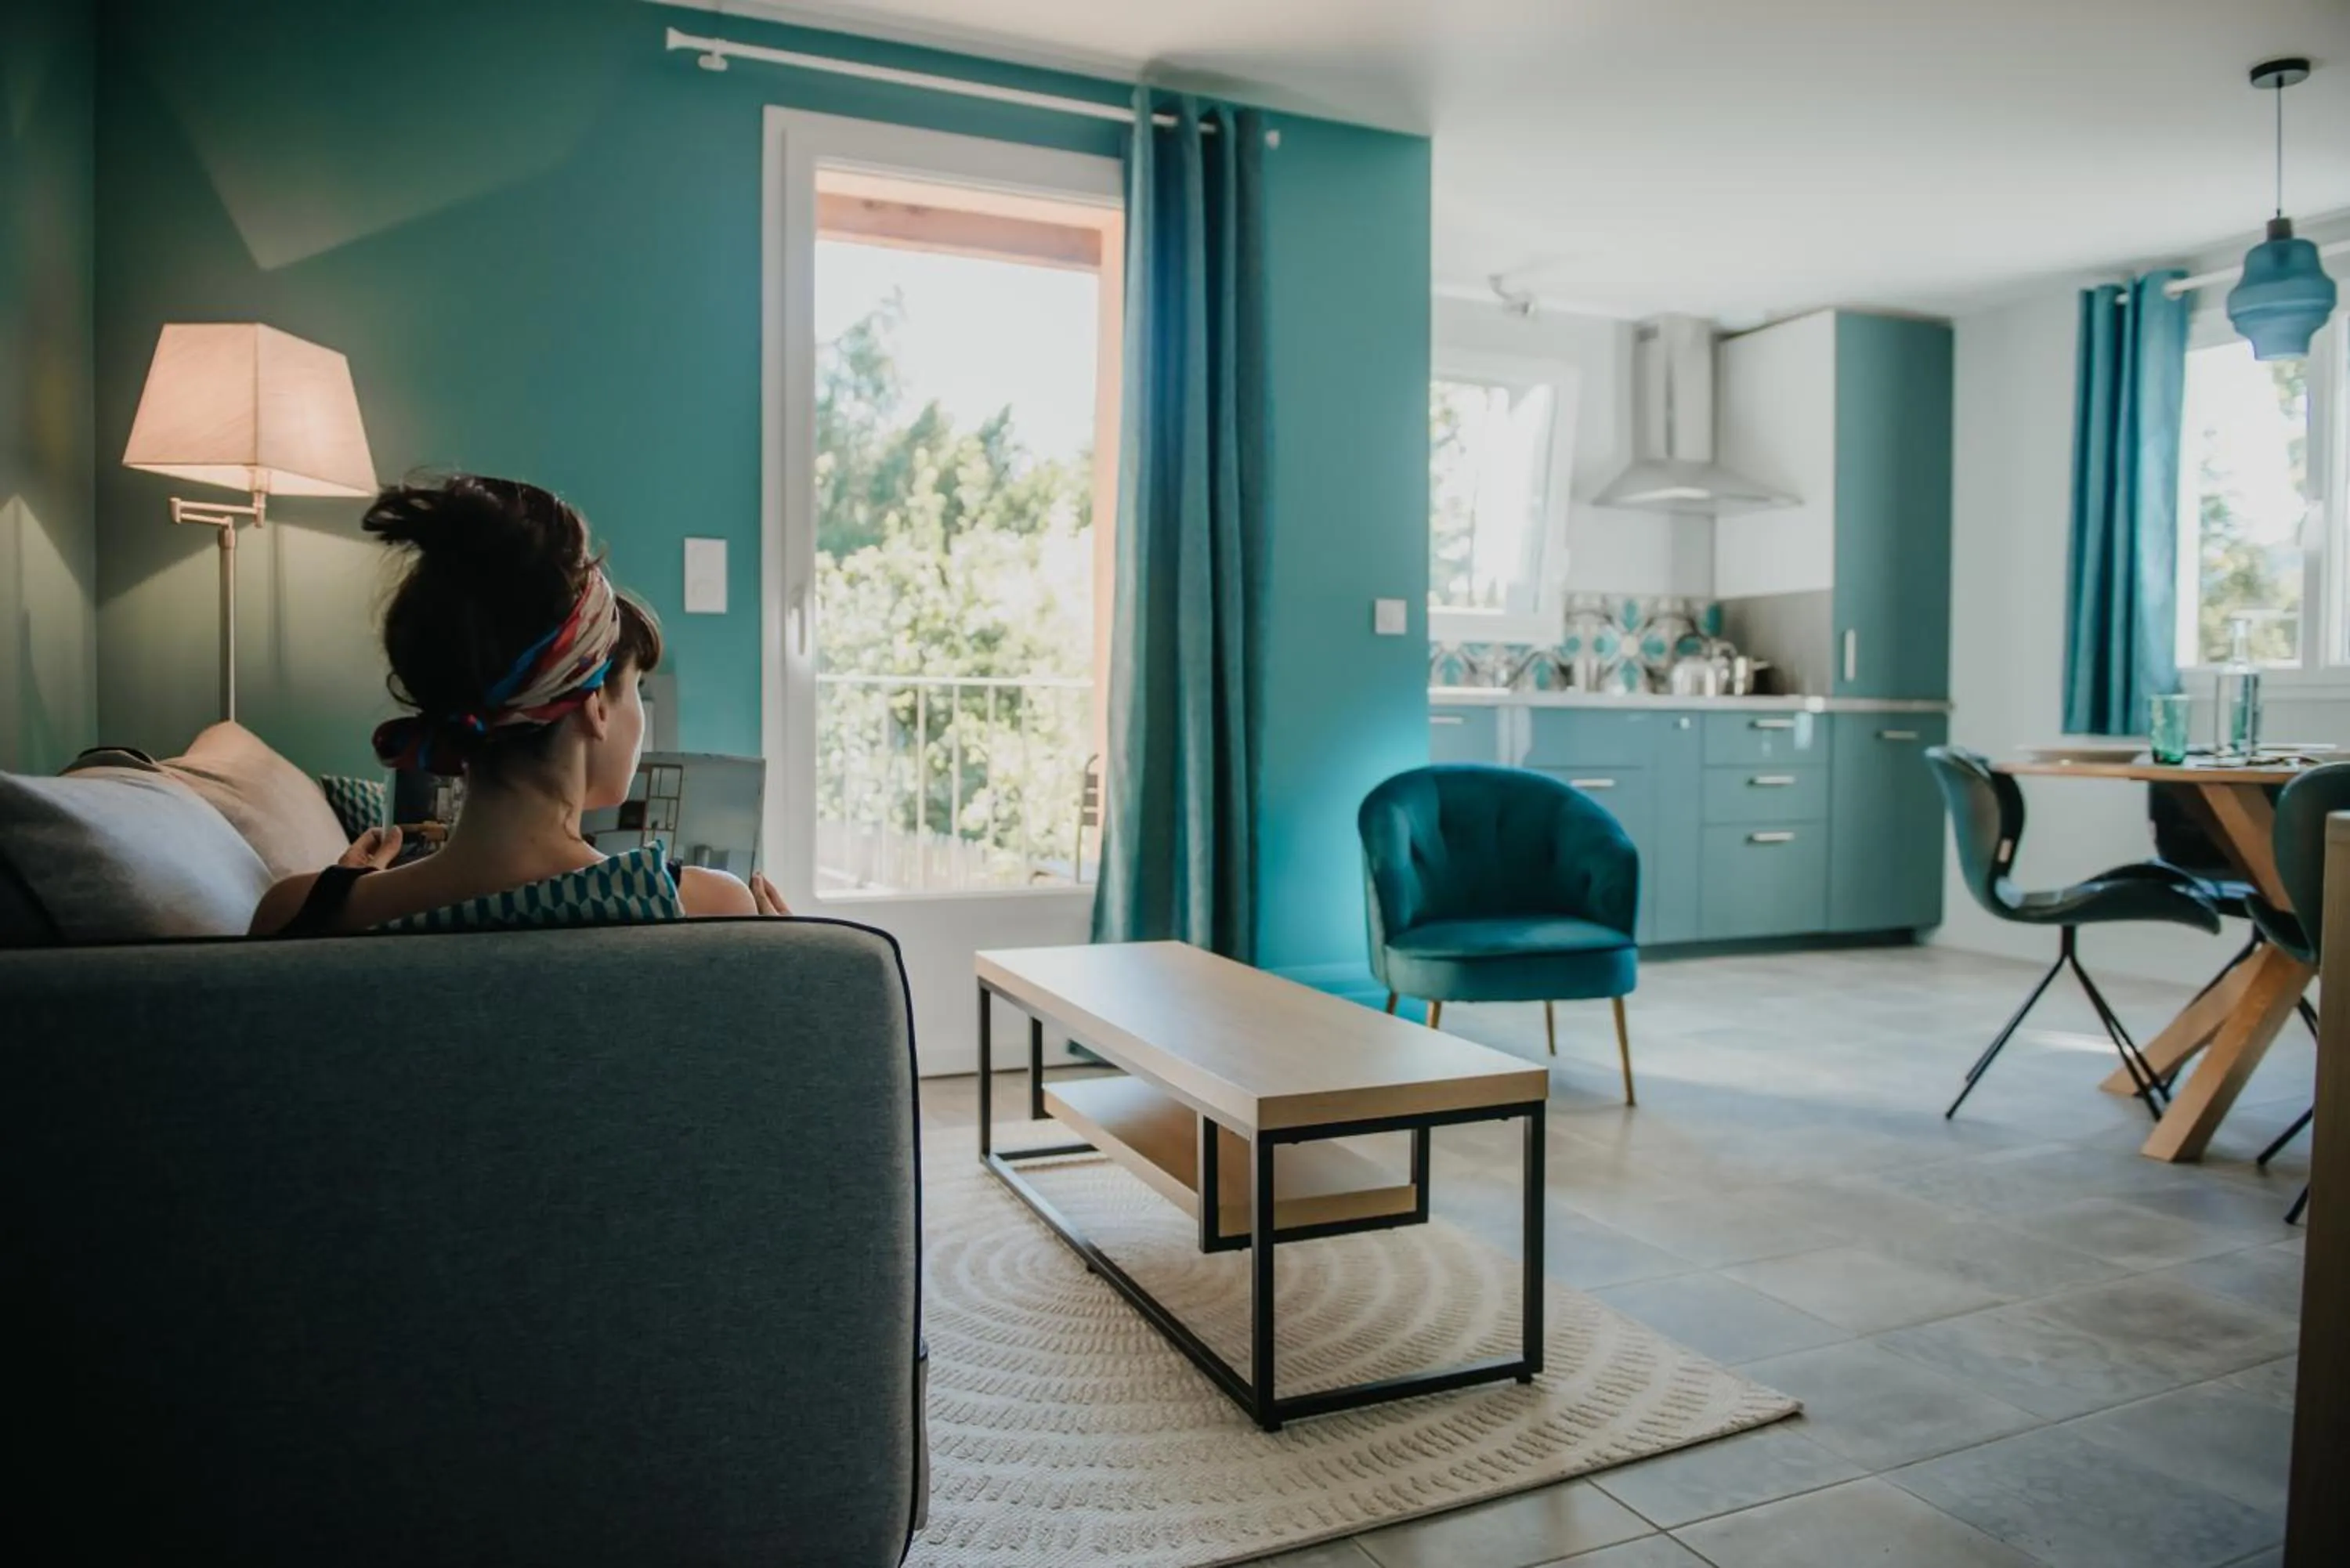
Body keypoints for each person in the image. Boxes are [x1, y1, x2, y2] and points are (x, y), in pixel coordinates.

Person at [251, 475, 788, 935]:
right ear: (595, 703)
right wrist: (796, 959)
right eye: (634, 689)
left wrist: (342, 889)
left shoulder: (297, 913)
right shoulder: (708, 910)